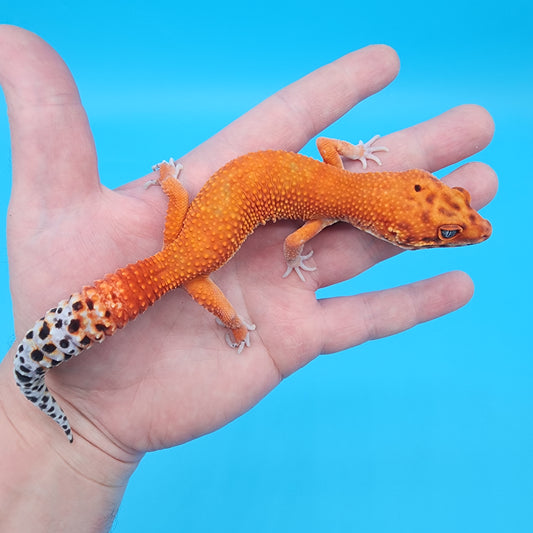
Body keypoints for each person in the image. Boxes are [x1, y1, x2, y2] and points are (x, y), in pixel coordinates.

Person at [0, 25, 497, 531]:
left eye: (451, 223)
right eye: (447, 232)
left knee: (182, 254)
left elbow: (328, 145)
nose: (461, 233)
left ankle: (169, 199)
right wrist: (236, 322)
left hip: (191, 228)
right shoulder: (328, 212)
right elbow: (292, 242)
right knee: (193, 272)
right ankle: (223, 326)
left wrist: (175, 186)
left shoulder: (339, 180)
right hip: (195, 262)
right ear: (393, 229)